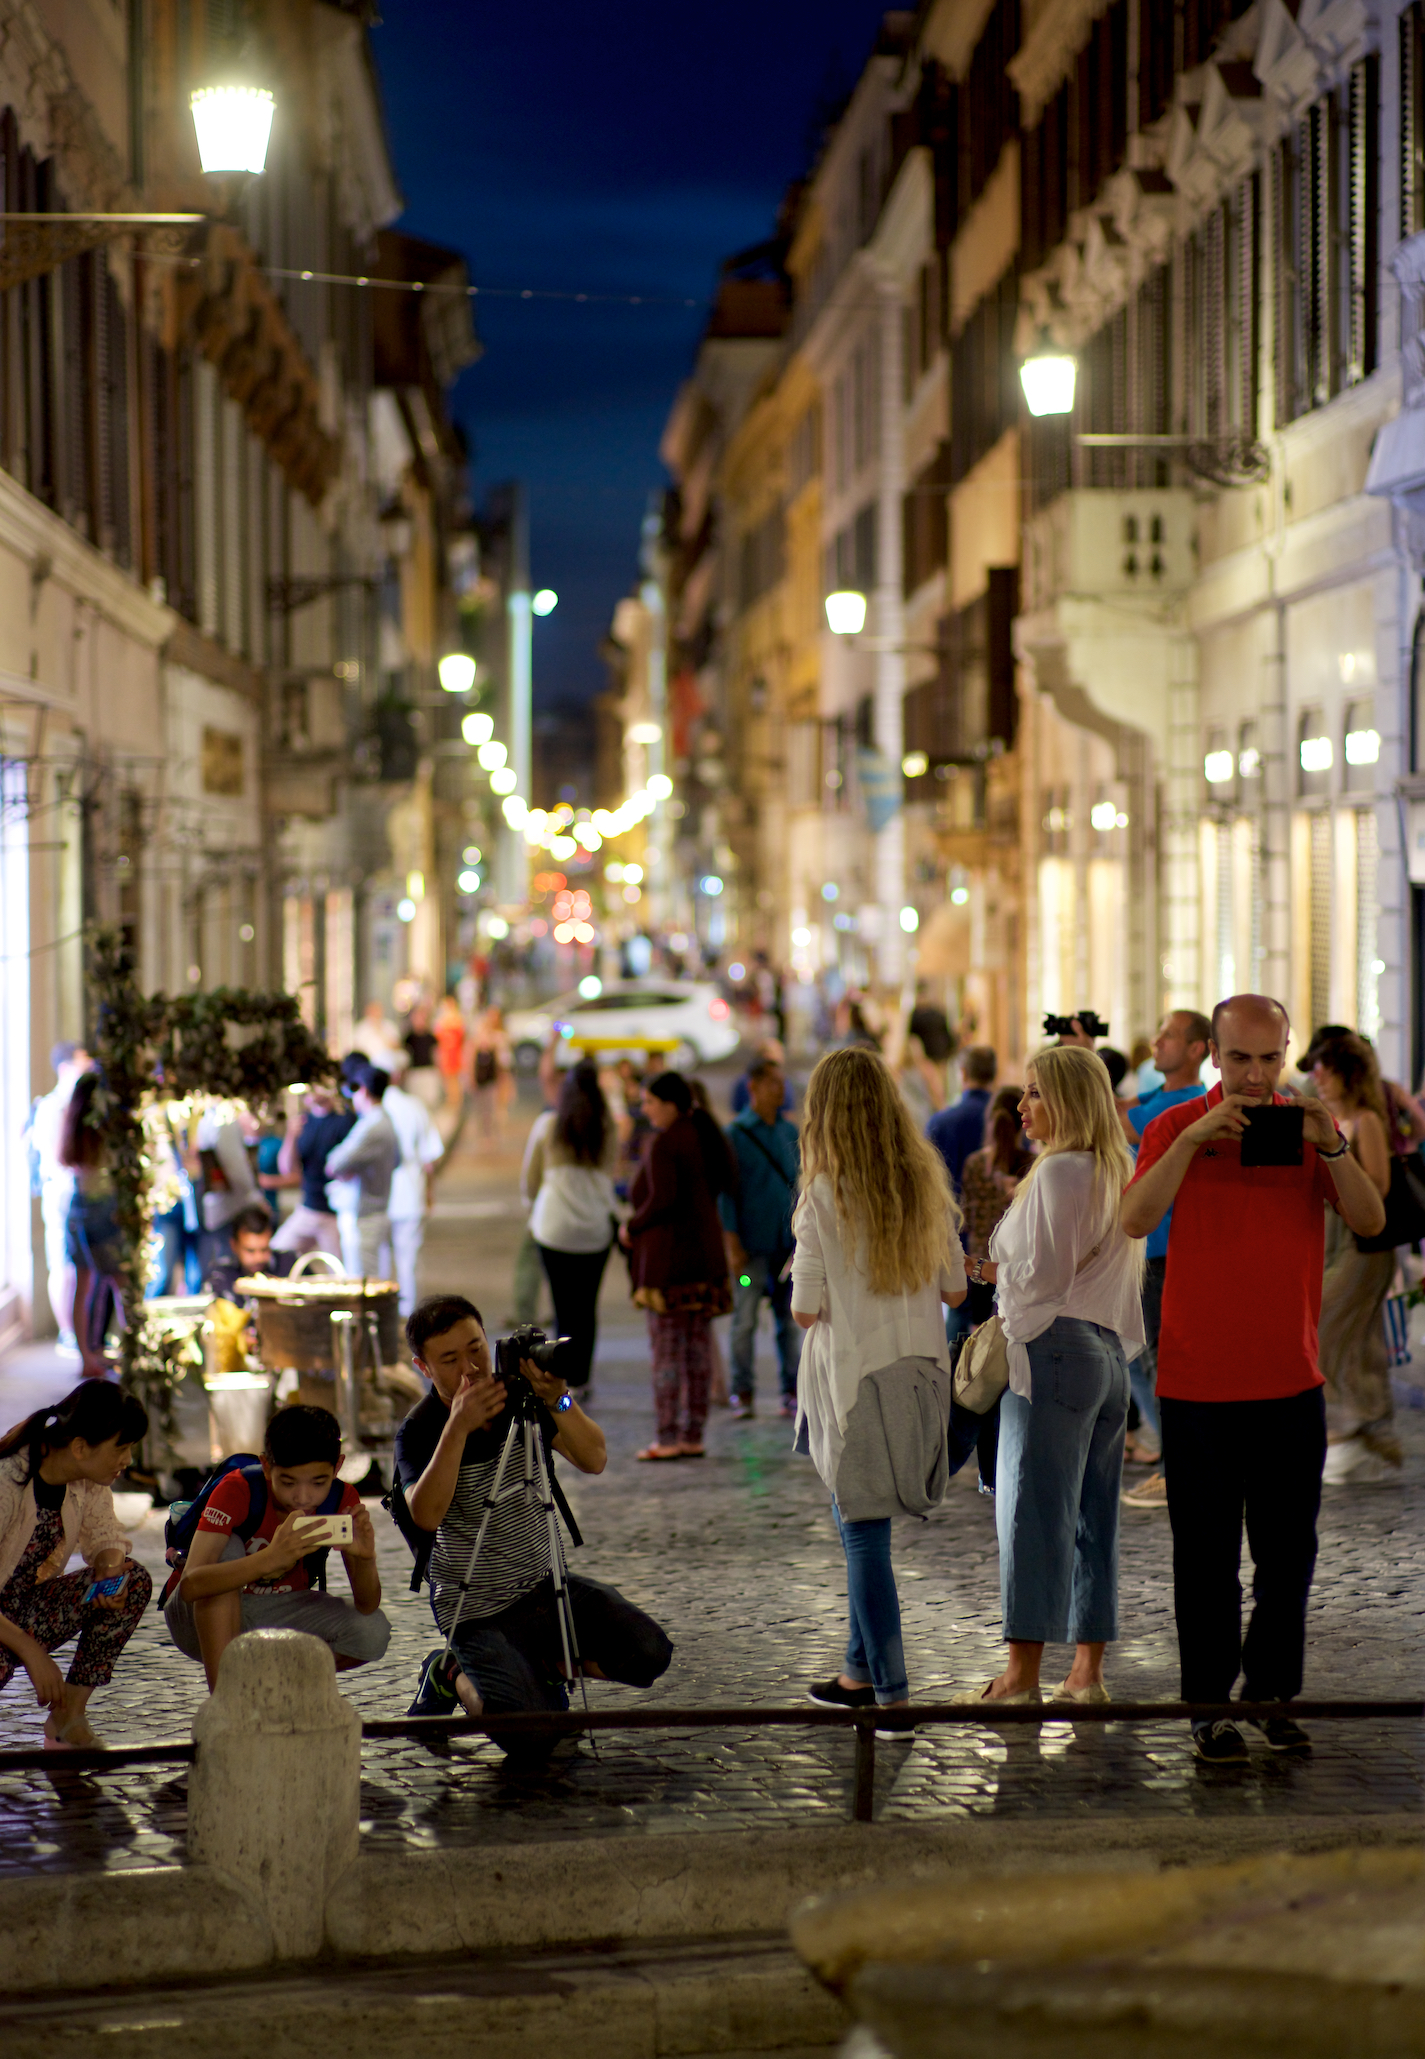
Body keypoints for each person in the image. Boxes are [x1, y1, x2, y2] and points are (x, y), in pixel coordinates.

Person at [1122, 994, 1386, 1764]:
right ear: (1213, 1055)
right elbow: (1133, 1218)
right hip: (1198, 1386)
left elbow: (1369, 1222)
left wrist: (1329, 1144)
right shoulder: (1174, 1126)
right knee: (1203, 1560)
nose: (1255, 1074)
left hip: (1288, 1381)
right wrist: (1194, 1137)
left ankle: (1270, 1695)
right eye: (1239, 1058)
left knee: (1287, 1555)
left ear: (1287, 1053)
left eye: (1270, 1058)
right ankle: (1207, 1708)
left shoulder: (1306, 1130)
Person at [396, 1296, 671, 1753]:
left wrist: (556, 1397)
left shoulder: (520, 1397)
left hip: (546, 1587)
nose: (470, 1368)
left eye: (476, 1349)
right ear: (423, 1368)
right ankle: (451, 1672)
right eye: (449, 1360)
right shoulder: (420, 1429)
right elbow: (424, 1515)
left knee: (648, 1653)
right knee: (534, 1736)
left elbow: (594, 1458)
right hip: (476, 1610)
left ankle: (540, 1667)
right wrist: (457, 1429)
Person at [952, 1047, 1142, 1709]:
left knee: (1030, 1512)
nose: (1020, 1106)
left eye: (1034, 1093)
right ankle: (1084, 1673)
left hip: (1051, 1350)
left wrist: (998, 1298)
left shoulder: (1059, 1170)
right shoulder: (1113, 1165)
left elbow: (1041, 1280)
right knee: (1092, 1517)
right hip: (1105, 1352)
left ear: (1065, 1100)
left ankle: (1020, 1675)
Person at [792, 1048, 966, 1720]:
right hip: (920, 1371)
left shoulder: (823, 1196)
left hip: (854, 1382)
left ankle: (890, 1694)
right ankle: (856, 1672)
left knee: (862, 1536)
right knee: (863, 1526)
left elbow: (805, 1309)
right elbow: (954, 1286)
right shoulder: (923, 1184)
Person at [164, 1404, 389, 1690]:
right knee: (228, 1547)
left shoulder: (342, 1499)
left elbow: (367, 1605)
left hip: (279, 1610)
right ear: (267, 1467)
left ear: (338, 1467)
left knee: (372, 1632)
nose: (303, 1497)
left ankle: (270, 1683)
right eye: (288, 1482)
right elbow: (192, 1585)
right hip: (198, 1617)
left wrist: (366, 1559)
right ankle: (227, 1703)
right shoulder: (239, 1489)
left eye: (318, 1482)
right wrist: (271, 1558)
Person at [0, 1381, 152, 1747]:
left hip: (23, 1609)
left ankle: (68, 1718)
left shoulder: (86, 1478)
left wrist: (109, 1569)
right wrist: (31, 1652)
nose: (127, 1460)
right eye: (122, 1448)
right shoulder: (7, 1482)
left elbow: (106, 1535)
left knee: (134, 1581)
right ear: (81, 1447)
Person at [1117, 1010, 1211, 1499]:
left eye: (1169, 1036)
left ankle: (1180, 1469)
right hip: (1151, 1249)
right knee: (1146, 1358)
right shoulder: (1161, 1096)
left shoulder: (1183, 1105)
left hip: (1164, 1251)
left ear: (1198, 1049)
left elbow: (1110, 1117)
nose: (1156, 1042)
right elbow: (1118, 1103)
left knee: (1159, 1361)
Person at [621, 1071, 733, 1461]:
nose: (645, 1108)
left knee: (667, 1352)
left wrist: (631, 1226)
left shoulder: (667, 1142)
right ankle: (692, 1433)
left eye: (650, 1101)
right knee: (698, 1351)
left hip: (669, 1265)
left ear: (670, 1104)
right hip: (704, 1261)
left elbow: (662, 1199)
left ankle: (667, 1436)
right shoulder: (704, 1135)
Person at [1310, 1031, 1397, 1483]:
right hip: (1328, 1241)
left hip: (1362, 1247)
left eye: (1326, 1071)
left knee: (1325, 1326)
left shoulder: (1365, 1121)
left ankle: (1345, 1428)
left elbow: (1377, 1190)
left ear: (1349, 1073)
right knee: (1353, 1336)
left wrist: (1336, 1164)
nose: (1317, 1078)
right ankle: (1363, 1427)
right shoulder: (1325, 1116)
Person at [522, 1062, 619, 1397]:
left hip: (554, 1227)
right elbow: (610, 1172)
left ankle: (563, 1379)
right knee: (586, 1307)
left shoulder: (548, 1126)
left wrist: (533, 1206)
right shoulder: (607, 1128)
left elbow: (530, 1181)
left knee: (563, 1308)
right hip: (596, 1228)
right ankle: (582, 1377)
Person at [955, 1084, 1034, 1494]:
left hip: (978, 1269)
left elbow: (967, 1216)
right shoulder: (1029, 1166)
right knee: (1007, 1366)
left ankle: (984, 1458)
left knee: (980, 1364)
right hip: (1011, 1272)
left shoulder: (973, 1165)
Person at [720, 1056, 802, 1419]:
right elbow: (726, 1194)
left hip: (786, 1246)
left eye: (781, 1083)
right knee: (746, 1318)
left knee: (788, 1319)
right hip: (750, 1247)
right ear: (753, 1087)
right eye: (773, 1083)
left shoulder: (789, 1133)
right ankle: (743, 1391)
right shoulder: (736, 1135)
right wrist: (731, 1242)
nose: (780, 1090)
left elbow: (801, 1184)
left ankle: (792, 1390)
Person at [58, 1069, 125, 1379]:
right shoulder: (103, 1126)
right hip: (102, 1207)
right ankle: (129, 1348)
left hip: (77, 1205)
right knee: (119, 1281)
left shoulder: (73, 1126)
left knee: (81, 1285)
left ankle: (86, 1356)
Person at [27, 1042, 93, 1355]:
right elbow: (58, 1158)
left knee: (76, 1268)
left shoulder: (71, 1103)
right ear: (66, 1067)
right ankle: (68, 1333)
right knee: (63, 1265)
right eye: (83, 1061)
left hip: (73, 1194)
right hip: (60, 1194)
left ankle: (77, 1335)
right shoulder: (52, 1106)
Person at [380, 1068, 445, 1319]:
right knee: (408, 1263)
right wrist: (430, 1192)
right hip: (409, 1195)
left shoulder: (369, 1110)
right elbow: (431, 1156)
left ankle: (383, 1318)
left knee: (381, 1261)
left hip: (378, 1199)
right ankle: (409, 1321)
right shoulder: (414, 1107)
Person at [325, 1065, 399, 1278]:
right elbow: (397, 1160)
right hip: (373, 1210)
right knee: (370, 1280)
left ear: (364, 1090)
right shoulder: (384, 1121)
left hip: (364, 1215)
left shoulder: (371, 1126)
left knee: (362, 1286)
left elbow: (334, 1163)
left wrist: (351, 1169)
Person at [271, 1084, 354, 1258]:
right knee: (277, 1253)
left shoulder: (345, 1120)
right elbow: (286, 1168)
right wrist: (291, 1135)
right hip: (308, 1208)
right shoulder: (303, 1121)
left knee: (340, 1273)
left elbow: (351, 1169)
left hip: (334, 1214)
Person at [926, 1046, 997, 1199]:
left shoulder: (940, 1122)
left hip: (952, 1216)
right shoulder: (1011, 1119)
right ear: (993, 1075)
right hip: (1002, 1217)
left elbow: (927, 1179)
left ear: (963, 1073)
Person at [204, 1203, 293, 1304]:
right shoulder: (220, 1275)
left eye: (264, 1249)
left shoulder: (290, 1266)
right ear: (234, 1245)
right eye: (250, 1251)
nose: (258, 1258)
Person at [730, 1038, 794, 1117]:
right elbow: (736, 1114)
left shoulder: (784, 1082)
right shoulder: (744, 1082)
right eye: (776, 1053)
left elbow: (787, 1113)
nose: (781, 1058)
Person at [403, 1002, 442, 1112]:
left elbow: (436, 1054)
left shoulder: (431, 1036)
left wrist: (439, 1072)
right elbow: (405, 1056)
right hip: (414, 1073)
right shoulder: (409, 1037)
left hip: (428, 1072)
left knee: (430, 1102)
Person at [434, 994, 466, 1114]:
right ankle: (450, 1100)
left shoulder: (457, 1019)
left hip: (454, 1053)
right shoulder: (442, 1019)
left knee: (454, 1079)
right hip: (445, 1053)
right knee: (447, 1079)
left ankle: (456, 1101)